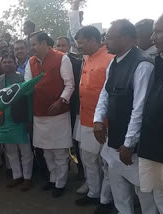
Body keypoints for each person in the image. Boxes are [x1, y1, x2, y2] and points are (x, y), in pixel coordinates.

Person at [94, 19, 157, 214]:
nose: (105, 42)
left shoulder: (143, 65)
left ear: (126, 38)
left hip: (134, 144)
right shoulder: (113, 62)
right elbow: (105, 93)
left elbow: (139, 109)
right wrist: (98, 119)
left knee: (143, 188)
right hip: (114, 136)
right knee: (117, 182)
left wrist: (129, 143)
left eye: (109, 38)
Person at [24, 31, 75, 198]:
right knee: (46, 152)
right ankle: (53, 179)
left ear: (45, 43)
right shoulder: (30, 62)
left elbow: (70, 85)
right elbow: (27, 85)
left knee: (60, 152)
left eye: (34, 44)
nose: (32, 48)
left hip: (58, 113)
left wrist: (60, 101)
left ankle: (61, 183)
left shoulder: (62, 58)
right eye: (31, 45)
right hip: (40, 114)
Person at [72, 26, 114, 214]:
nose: (78, 46)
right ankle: (94, 193)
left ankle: (105, 199)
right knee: (89, 159)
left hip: (103, 122)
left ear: (93, 40)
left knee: (106, 163)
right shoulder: (87, 57)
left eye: (81, 43)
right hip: (86, 118)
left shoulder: (109, 58)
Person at [0, 54, 33, 191]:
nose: (7, 64)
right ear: (1, 65)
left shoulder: (22, 78)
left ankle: (27, 178)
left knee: (26, 152)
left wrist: (30, 119)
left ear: (15, 63)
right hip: (4, 122)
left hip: (20, 122)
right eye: (4, 62)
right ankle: (17, 176)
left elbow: (29, 100)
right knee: (11, 152)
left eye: (10, 62)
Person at [138, 12, 163, 213]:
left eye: (158, 32)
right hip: (154, 146)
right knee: (157, 193)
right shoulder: (158, 62)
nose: (152, 37)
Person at [55, 36, 85, 182]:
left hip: (73, 106)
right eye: (58, 46)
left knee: (75, 138)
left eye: (63, 46)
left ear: (68, 47)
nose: (60, 48)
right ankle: (62, 166)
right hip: (57, 107)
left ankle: (80, 168)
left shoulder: (77, 62)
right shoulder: (53, 62)